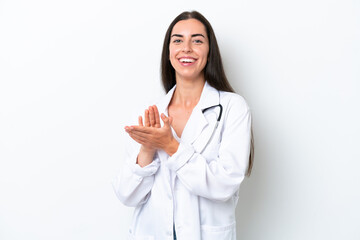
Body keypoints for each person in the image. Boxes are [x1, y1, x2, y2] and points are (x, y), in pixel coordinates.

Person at [113, 10, 254, 240]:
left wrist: (171, 146)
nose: (186, 48)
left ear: (210, 52)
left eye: (197, 40)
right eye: (178, 40)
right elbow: (127, 195)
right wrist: (148, 149)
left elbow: (225, 183)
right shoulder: (149, 114)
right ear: (168, 52)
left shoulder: (232, 107)